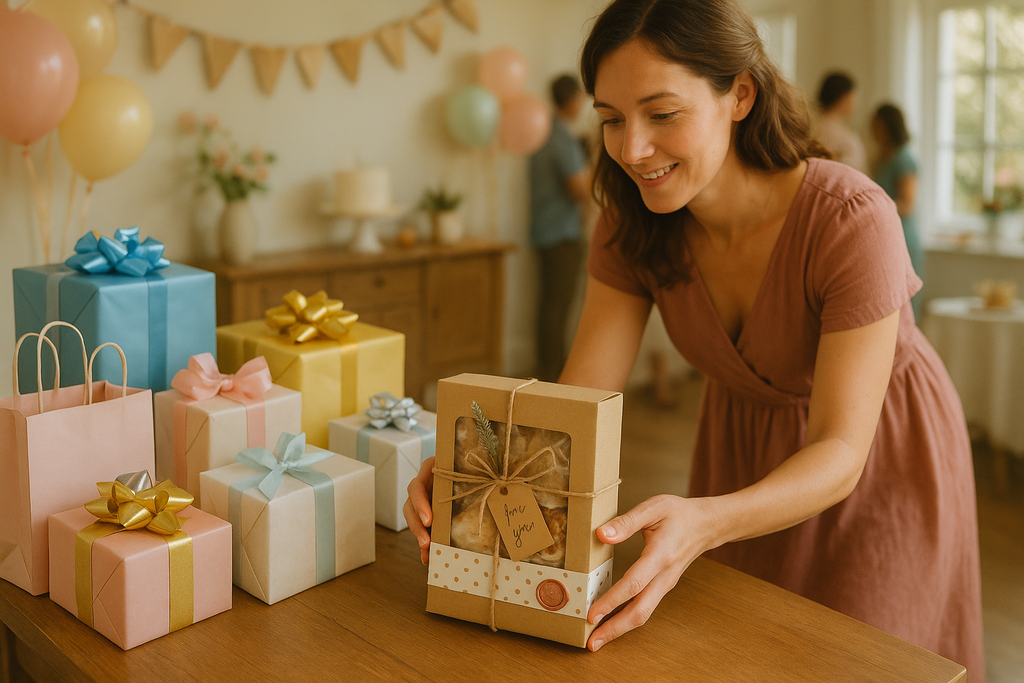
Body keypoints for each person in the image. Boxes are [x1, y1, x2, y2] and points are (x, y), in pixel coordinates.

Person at [405, 0, 985, 678]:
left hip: (878, 453)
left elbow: (841, 449)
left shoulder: (851, 219)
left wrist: (706, 521)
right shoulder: (632, 223)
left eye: (663, 113)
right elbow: (578, 400)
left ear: (740, 93)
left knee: (865, 656)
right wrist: (482, 464)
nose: (631, 150)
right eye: (612, 120)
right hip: (740, 455)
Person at [529, 74, 592, 382]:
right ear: (571, 100)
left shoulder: (542, 133)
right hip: (562, 234)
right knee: (558, 306)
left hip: (544, 230)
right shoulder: (560, 139)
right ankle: (555, 374)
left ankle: (548, 368)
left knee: (549, 303)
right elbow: (578, 189)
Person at [871, 103, 923, 318]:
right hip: (884, 234)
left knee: (903, 304)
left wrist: (873, 206)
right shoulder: (881, 158)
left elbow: (907, 204)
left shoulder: (904, 159)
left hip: (902, 235)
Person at [815, 72, 868, 173]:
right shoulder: (842, 137)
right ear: (844, 96)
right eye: (854, 95)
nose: (856, 101)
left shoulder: (810, 127)